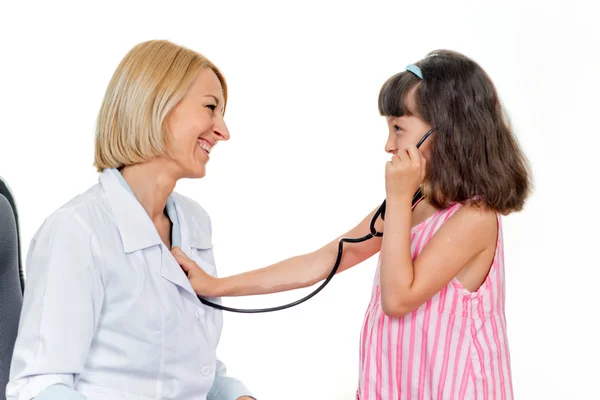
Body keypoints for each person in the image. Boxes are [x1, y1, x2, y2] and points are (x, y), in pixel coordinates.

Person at [172, 50, 531, 399]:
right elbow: (326, 259)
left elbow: (398, 298)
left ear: (444, 132)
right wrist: (215, 284)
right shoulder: (413, 203)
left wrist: (397, 194)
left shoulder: (474, 218)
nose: (389, 144)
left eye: (399, 128)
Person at [6, 40, 255, 400]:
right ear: (158, 104)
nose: (223, 131)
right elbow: (40, 386)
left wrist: (234, 394)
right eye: (210, 108)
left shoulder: (194, 222)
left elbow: (189, 367)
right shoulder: (78, 230)